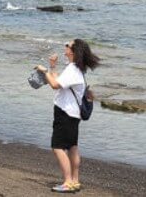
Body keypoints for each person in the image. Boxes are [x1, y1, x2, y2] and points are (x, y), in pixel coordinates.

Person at [36, 39, 100, 193]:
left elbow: (54, 85)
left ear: (73, 51)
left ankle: (68, 182)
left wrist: (44, 71)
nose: (65, 47)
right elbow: (58, 81)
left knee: (57, 146)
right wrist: (52, 66)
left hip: (65, 113)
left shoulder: (73, 69)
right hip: (72, 114)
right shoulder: (76, 68)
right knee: (72, 147)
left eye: (67, 45)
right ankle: (75, 181)